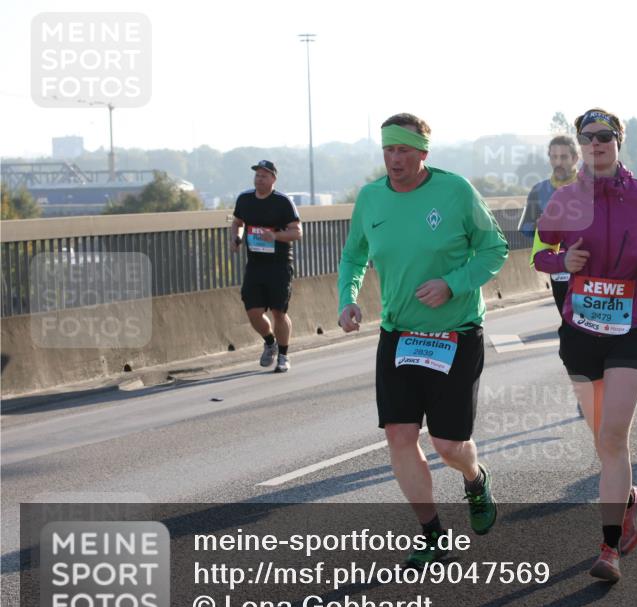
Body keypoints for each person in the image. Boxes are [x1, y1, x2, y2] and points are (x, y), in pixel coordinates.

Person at [337, 113, 508, 567]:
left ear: (423, 153)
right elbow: (354, 255)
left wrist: (453, 283)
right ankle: (432, 533)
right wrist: (347, 299)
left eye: (404, 150)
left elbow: (495, 248)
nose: (395, 159)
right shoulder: (371, 199)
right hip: (399, 334)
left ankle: (473, 477)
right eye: (389, 150)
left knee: (449, 445)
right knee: (399, 434)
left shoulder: (455, 192)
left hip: (455, 333)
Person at [534, 108, 637, 583]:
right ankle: (629, 500)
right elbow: (538, 251)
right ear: (579, 145)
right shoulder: (564, 199)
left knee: (614, 436)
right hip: (580, 331)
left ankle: (609, 548)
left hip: (630, 326)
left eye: (604, 137)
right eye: (587, 138)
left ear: (619, 142)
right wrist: (561, 258)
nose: (595, 145)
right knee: (602, 438)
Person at [230, 160, 302, 373]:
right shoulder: (245, 199)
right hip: (255, 264)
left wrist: (275, 235)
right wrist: (236, 238)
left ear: (273, 179)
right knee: (253, 311)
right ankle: (270, 342)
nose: (259, 179)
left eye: (264, 175)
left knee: (279, 312)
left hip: (279, 265)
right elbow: (237, 222)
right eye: (257, 175)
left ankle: (283, 355)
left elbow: (297, 232)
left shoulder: (282, 202)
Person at [518, 135, 579, 312]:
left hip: (589, 266)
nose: (558, 162)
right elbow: (526, 229)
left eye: (564, 157)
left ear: (575, 158)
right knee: (567, 320)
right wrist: (540, 226)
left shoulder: (591, 187)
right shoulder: (538, 190)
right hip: (558, 267)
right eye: (554, 157)